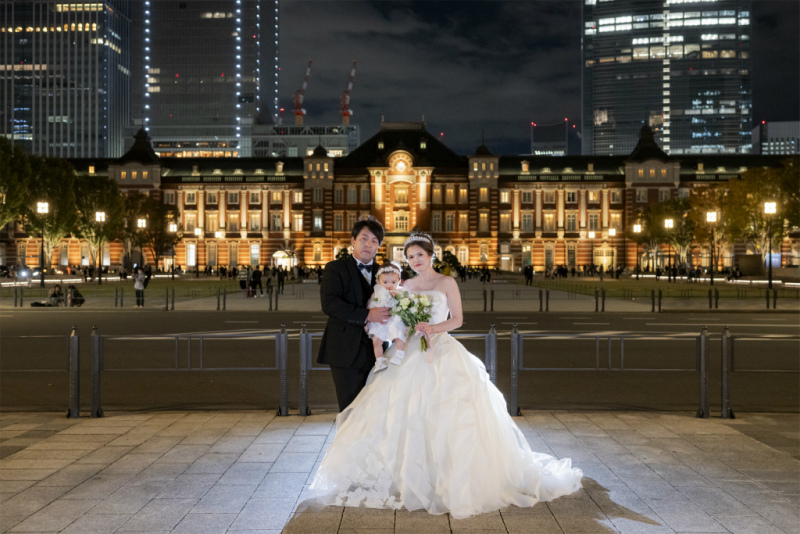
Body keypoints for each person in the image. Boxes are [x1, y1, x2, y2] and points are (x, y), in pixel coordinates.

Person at [310, 231, 583, 519]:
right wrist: (393, 332)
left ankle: (444, 474)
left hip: (441, 348)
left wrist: (432, 329)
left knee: (448, 413)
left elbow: (458, 319)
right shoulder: (406, 285)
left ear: (431, 255)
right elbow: (397, 318)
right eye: (410, 257)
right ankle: (404, 473)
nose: (415, 261)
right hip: (411, 350)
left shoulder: (446, 282)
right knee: (404, 412)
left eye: (419, 255)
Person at [317, 216, 390, 412]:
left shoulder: (385, 273)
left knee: (376, 410)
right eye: (364, 239)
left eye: (374, 241)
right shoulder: (336, 268)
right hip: (345, 351)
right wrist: (367, 315)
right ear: (353, 240)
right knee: (350, 408)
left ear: (379, 246)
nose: (369, 244)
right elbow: (330, 304)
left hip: (379, 352)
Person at [365, 262, 407, 373]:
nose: (389, 285)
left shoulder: (399, 291)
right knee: (376, 341)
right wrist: (368, 322)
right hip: (380, 321)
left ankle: (399, 353)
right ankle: (379, 361)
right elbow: (370, 307)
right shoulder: (376, 293)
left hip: (394, 319)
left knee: (399, 335)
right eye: (385, 282)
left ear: (399, 281)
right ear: (378, 281)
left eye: (393, 282)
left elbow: (405, 304)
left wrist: (397, 297)